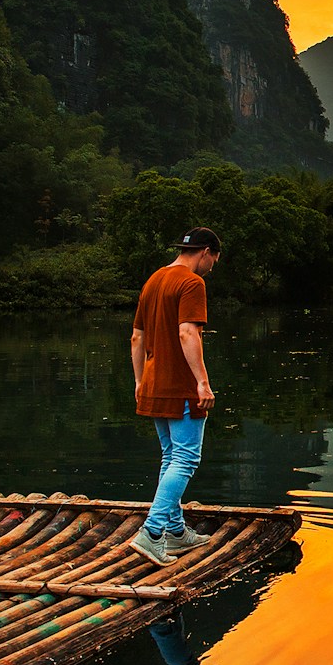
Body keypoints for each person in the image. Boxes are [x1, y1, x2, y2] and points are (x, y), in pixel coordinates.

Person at [130, 226, 221, 564]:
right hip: (181, 386)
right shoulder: (192, 283)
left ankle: (176, 532)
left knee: (170, 457)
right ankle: (153, 532)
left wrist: (140, 382)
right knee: (185, 459)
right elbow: (187, 332)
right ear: (207, 252)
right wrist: (202, 382)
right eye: (214, 259)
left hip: (154, 384)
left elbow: (137, 338)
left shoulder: (153, 280)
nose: (212, 266)